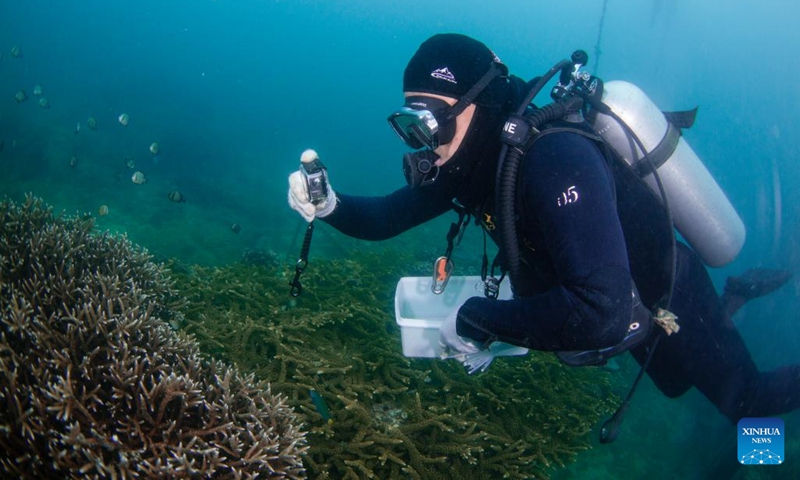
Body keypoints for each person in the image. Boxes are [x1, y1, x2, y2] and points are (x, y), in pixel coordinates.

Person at [287, 33, 797, 424]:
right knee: (674, 385)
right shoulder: (473, 163)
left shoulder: (555, 159)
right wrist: (329, 204)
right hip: (628, 311)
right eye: (410, 123)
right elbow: (385, 218)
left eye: (433, 119)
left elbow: (601, 311)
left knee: (748, 403)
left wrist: (478, 319)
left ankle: (730, 302)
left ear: (478, 107)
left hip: (666, 291)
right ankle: (735, 298)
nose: (423, 140)